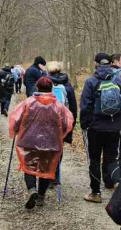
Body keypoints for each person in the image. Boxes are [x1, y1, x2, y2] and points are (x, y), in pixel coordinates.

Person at [8, 77, 74, 209]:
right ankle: (41, 196)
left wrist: (15, 131)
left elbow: (16, 119)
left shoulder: (28, 102)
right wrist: (60, 135)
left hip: (29, 141)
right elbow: (67, 123)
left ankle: (32, 190)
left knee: (29, 167)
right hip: (50, 142)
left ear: (37, 88)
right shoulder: (58, 106)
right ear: (51, 88)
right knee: (46, 168)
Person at [79, 53, 121, 203]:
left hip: (95, 128)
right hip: (114, 127)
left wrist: (84, 124)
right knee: (112, 159)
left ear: (96, 64)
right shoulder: (118, 79)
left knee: (94, 160)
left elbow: (85, 106)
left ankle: (96, 193)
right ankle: (118, 183)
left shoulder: (91, 82)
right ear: (110, 63)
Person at [47, 62, 78, 183]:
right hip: (62, 122)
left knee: (47, 148)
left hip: (47, 122)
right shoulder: (67, 85)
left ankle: (48, 173)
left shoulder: (44, 83)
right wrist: (72, 123)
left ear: (48, 71)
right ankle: (55, 175)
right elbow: (73, 106)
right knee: (59, 148)